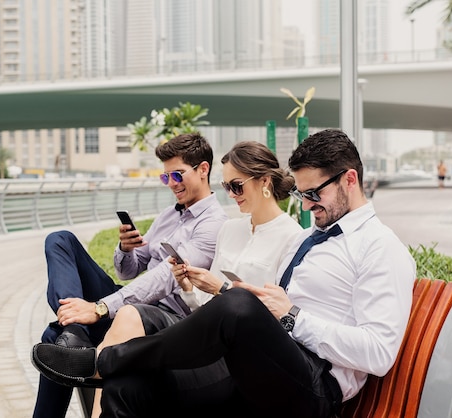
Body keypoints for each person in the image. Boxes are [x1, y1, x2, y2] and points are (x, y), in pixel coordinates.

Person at [31, 129, 417, 418]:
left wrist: (292, 318)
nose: (308, 205)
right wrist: (251, 299)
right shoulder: (312, 239)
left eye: (314, 193)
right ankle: (110, 367)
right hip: (257, 365)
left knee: (237, 304)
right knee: (127, 391)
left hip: (314, 386)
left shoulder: (381, 248)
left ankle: (102, 361)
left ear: (350, 179)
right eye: (302, 195)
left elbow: (379, 353)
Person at [82, 141, 303, 417]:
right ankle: (97, 360)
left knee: (125, 358)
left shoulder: (292, 237)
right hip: (200, 340)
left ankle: (97, 361)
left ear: (265, 182)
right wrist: (188, 285)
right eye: (226, 188)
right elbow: (200, 304)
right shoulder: (230, 229)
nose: (232, 195)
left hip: (237, 360)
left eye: (236, 186)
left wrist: (222, 287)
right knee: (122, 386)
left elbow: (275, 318)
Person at [31, 132, 228, 418]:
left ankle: (71, 333)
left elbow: (164, 278)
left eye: (177, 175)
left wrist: (99, 309)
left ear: (203, 169)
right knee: (60, 240)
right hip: (136, 307)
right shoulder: (168, 216)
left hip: (167, 321)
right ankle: (74, 330)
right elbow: (129, 271)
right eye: (165, 178)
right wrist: (125, 249)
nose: (171, 184)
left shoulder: (212, 224)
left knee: (52, 336)